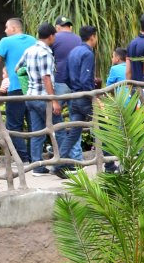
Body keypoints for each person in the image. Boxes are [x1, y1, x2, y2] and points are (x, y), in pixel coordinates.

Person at [0, 17, 36, 161]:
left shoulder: (5, 42)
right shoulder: (34, 40)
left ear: (13, 28)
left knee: (13, 126)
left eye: (6, 27)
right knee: (34, 125)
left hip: (16, 90)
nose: (5, 30)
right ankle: (35, 159)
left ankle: (23, 159)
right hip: (34, 90)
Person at [20, 22, 59, 171]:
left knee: (38, 133)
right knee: (59, 130)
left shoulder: (29, 50)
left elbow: (18, 68)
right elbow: (46, 78)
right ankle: (61, 164)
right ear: (51, 36)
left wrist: (28, 83)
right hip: (43, 98)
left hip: (30, 96)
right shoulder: (45, 53)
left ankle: (37, 167)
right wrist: (54, 100)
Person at [60, 25, 98, 167]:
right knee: (106, 126)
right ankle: (109, 164)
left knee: (74, 133)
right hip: (85, 98)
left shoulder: (73, 52)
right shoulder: (88, 54)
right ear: (93, 36)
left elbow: (64, 77)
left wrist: (75, 88)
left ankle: (58, 164)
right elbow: (85, 80)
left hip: (74, 97)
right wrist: (92, 95)